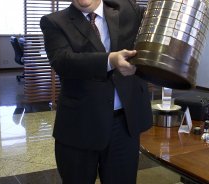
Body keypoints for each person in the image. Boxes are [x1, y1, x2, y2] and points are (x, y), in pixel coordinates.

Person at [40, 0, 153, 183]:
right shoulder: (54, 22)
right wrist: (110, 60)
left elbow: (155, 27)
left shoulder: (129, 10)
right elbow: (63, 62)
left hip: (123, 126)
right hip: (79, 128)